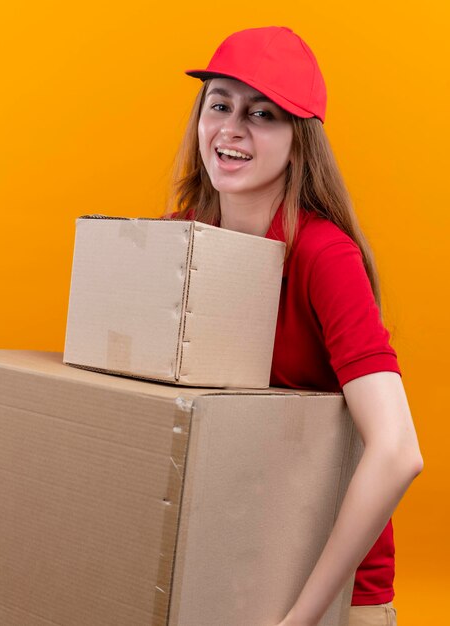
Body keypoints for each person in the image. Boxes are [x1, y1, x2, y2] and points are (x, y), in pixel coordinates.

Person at [164, 26, 423, 626]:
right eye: (220, 104)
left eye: (263, 114)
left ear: (299, 139)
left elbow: (398, 450)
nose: (231, 128)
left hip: (324, 593)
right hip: (213, 567)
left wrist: (300, 619)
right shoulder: (180, 241)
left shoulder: (323, 256)